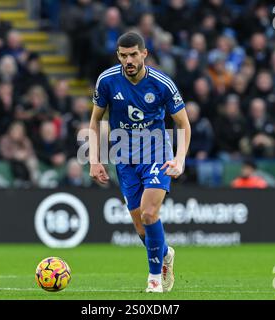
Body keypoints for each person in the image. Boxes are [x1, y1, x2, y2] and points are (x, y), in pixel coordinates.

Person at [89, 32, 191, 293]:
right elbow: (95, 121)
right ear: (118, 56)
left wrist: (179, 159)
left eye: (134, 54)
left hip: (156, 152)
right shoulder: (107, 81)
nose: (129, 60)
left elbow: (183, 124)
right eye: (123, 55)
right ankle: (165, 253)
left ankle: (154, 280)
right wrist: (94, 160)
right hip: (124, 156)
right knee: (139, 223)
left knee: (148, 213)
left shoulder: (162, 84)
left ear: (144, 53)